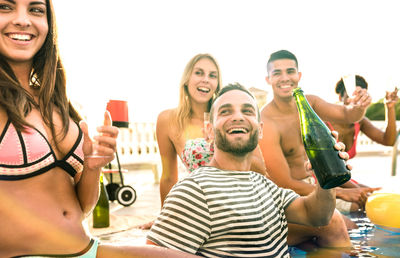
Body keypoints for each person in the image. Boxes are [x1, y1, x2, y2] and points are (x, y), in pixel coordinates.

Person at [0, 1, 199, 257]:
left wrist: (93, 168)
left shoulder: (57, 102)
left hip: (86, 248)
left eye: (36, 10)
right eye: (5, 7)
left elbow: (83, 208)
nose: (22, 19)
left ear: (49, 25)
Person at [146, 83, 350, 257]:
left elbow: (317, 216)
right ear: (209, 130)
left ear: (260, 129)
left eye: (247, 111)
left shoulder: (264, 185)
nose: (238, 117)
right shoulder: (194, 190)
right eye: (226, 111)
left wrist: (325, 177)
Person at [258, 50, 380, 215]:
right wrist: (343, 193)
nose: (285, 78)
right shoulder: (267, 121)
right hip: (291, 194)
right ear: (268, 79)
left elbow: (349, 115)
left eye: (290, 71)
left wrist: (360, 106)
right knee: (354, 215)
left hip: (318, 182)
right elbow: (283, 182)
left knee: (373, 197)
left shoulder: (310, 102)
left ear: (299, 75)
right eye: (277, 73)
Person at [326, 75, 398, 159]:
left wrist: (390, 107)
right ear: (340, 98)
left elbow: (389, 141)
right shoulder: (324, 122)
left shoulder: (360, 122)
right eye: (350, 97)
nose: (355, 101)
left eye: (361, 97)